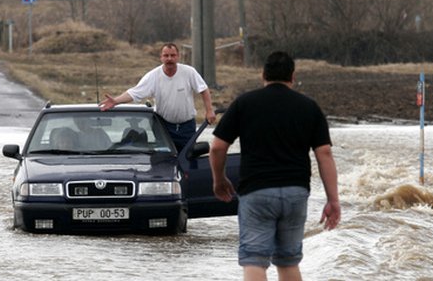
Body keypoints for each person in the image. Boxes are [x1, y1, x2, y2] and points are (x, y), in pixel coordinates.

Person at [209, 51, 341, 281]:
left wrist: (219, 180)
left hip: (257, 191)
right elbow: (325, 154)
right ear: (292, 76)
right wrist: (333, 200)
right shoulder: (309, 107)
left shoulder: (244, 103)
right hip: (295, 193)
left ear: (263, 74)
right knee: (288, 261)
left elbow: (217, 148)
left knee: (254, 259)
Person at [99, 43, 216, 152]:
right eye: (166, 55)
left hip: (187, 126)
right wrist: (116, 101)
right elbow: (135, 93)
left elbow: (203, 89)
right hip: (164, 127)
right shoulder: (153, 76)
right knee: (165, 159)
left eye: (172, 55)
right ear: (161, 57)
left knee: (188, 158)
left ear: (178, 57)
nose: (169, 58)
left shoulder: (189, 72)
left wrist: (209, 111)